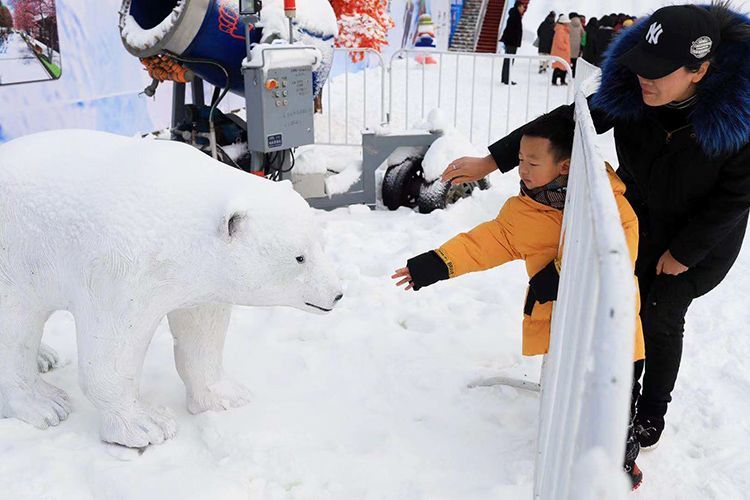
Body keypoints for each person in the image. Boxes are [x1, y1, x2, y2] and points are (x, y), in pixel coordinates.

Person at [440, 2, 750, 454]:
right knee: (623, 314)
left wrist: (683, 253)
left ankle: (650, 414)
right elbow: (563, 125)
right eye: (642, 64)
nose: (644, 77)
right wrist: (493, 160)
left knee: (659, 317)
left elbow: (735, 198)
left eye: (659, 71)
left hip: (698, 240)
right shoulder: (634, 94)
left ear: (698, 70)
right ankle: (618, 405)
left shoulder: (740, 119)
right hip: (637, 222)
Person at [393, 113, 646, 489]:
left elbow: (616, 257)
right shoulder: (524, 211)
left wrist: (559, 274)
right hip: (561, 326)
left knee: (618, 399)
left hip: (613, 329)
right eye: (520, 160)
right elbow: (486, 243)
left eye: (531, 162)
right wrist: (437, 263)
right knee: (576, 390)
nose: (521, 170)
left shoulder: (610, 207)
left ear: (565, 165)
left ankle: (620, 462)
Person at [500, 1, 526, 85]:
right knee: (509, 60)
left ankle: (505, 78)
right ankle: (506, 79)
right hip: (512, 42)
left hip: (511, 42)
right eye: (522, 7)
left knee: (507, 60)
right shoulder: (515, 16)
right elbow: (512, 30)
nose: (523, 9)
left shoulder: (514, 15)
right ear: (518, 7)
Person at [550, 14, 571, 85]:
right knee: (558, 67)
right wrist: (566, 47)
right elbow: (560, 43)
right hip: (561, 52)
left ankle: (562, 80)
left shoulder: (563, 29)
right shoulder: (560, 30)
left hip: (563, 52)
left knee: (563, 67)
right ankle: (555, 81)